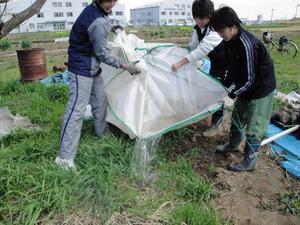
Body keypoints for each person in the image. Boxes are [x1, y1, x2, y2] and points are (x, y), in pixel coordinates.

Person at [55, 0, 141, 169]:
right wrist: (125, 65)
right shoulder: (98, 21)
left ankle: (102, 134)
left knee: (100, 101)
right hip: (82, 70)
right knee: (76, 111)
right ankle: (64, 158)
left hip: (92, 68)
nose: (112, 4)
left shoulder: (96, 11)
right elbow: (102, 53)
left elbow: (97, 31)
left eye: (114, 0)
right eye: (108, 1)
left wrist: (113, 27)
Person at [210, 6, 276, 172]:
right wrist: (225, 87)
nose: (220, 34)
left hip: (261, 88)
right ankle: (233, 144)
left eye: (222, 30)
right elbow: (231, 68)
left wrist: (231, 95)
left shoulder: (247, 44)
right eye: (217, 31)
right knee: (238, 117)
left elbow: (249, 79)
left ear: (233, 26)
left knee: (255, 126)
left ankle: (249, 161)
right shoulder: (229, 42)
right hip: (245, 86)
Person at [171, 0, 228, 138]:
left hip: (227, 63)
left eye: (202, 18)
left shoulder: (216, 28)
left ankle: (216, 125)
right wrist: (181, 48)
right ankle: (210, 115)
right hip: (215, 62)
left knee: (220, 92)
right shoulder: (197, 28)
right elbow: (195, 45)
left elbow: (203, 49)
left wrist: (181, 62)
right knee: (212, 88)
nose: (199, 21)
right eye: (196, 18)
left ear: (210, 15)